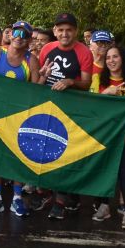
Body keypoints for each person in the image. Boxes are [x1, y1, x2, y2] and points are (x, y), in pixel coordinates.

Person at [38, 13, 93, 220]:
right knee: (46, 149)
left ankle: (61, 200)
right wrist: (43, 75)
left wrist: (70, 82)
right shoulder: (46, 49)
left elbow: (87, 83)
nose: (64, 33)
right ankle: (45, 192)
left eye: (69, 29)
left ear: (76, 32)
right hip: (48, 108)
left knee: (65, 152)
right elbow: (41, 77)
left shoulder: (84, 52)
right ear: (54, 31)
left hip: (71, 110)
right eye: (60, 30)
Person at [0, 21, 40, 218]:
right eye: (16, 32)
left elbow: (36, 91)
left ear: (28, 39)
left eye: (24, 34)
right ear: (9, 33)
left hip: (19, 115)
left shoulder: (31, 60)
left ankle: (17, 197)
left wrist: (44, 77)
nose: (19, 36)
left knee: (18, 154)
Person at [90, 45, 125, 229]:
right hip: (104, 136)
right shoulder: (98, 78)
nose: (111, 60)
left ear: (123, 60)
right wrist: (107, 92)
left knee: (124, 174)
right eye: (108, 57)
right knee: (104, 172)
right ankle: (104, 206)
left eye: (115, 57)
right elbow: (92, 106)